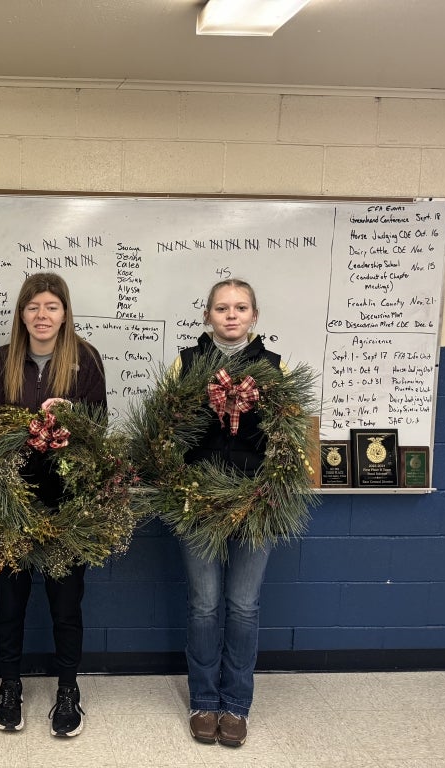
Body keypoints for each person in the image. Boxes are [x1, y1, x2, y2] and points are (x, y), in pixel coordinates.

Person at [0, 272, 107, 738]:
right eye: (33, 307)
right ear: (21, 314)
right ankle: (9, 685)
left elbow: (97, 434)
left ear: (65, 312)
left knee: (65, 604)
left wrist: (68, 422)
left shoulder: (85, 361)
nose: (42, 316)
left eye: (51, 306)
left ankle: (68, 689)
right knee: (9, 603)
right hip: (9, 504)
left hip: (66, 504)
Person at [175, 278, 283, 748]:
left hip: (255, 502)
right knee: (204, 604)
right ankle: (204, 700)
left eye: (241, 308)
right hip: (198, 500)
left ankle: (236, 705)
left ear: (254, 316)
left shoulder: (276, 368)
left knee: (243, 605)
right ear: (208, 315)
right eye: (222, 308)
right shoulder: (187, 363)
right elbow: (169, 430)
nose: (231, 315)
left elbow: (289, 437)